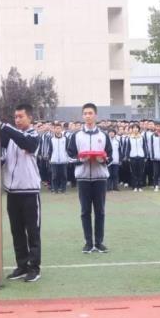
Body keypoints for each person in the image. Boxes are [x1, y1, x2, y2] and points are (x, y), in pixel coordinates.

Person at [0, 103, 42, 282]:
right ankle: (22, 265)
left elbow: (27, 144)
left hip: (30, 192)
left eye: (21, 117)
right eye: (15, 117)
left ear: (30, 118)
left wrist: (5, 127)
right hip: (12, 191)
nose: (17, 120)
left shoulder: (34, 136)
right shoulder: (11, 137)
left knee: (32, 232)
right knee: (16, 231)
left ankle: (34, 268)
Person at [67, 103, 113, 254]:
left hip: (100, 178)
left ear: (95, 115)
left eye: (90, 113)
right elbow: (70, 157)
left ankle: (99, 243)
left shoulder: (103, 135)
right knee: (85, 212)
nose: (88, 116)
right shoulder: (76, 136)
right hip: (83, 178)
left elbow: (111, 157)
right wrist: (82, 159)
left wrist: (103, 160)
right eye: (85, 113)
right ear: (83, 116)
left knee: (100, 212)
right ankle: (88, 243)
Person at [47, 123, 69, 194]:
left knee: (64, 176)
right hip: (54, 160)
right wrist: (49, 159)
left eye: (59, 128)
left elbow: (67, 149)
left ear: (61, 129)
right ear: (54, 129)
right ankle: (55, 190)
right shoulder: (51, 139)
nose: (58, 130)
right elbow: (50, 150)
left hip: (63, 160)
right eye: (56, 128)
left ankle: (63, 189)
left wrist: (68, 158)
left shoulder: (65, 139)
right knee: (54, 176)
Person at [126, 124, 147, 192]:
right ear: (132, 129)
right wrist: (128, 156)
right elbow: (128, 148)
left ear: (138, 129)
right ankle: (134, 186)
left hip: (141, 156)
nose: (135, 129)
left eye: (136, 128)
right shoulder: (130, 138)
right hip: (133, 156)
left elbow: (144, 147)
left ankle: (140, 186)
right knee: (133, 172)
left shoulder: (142, 137)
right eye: (134, 128)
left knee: (140, 172)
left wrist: (145, 156)